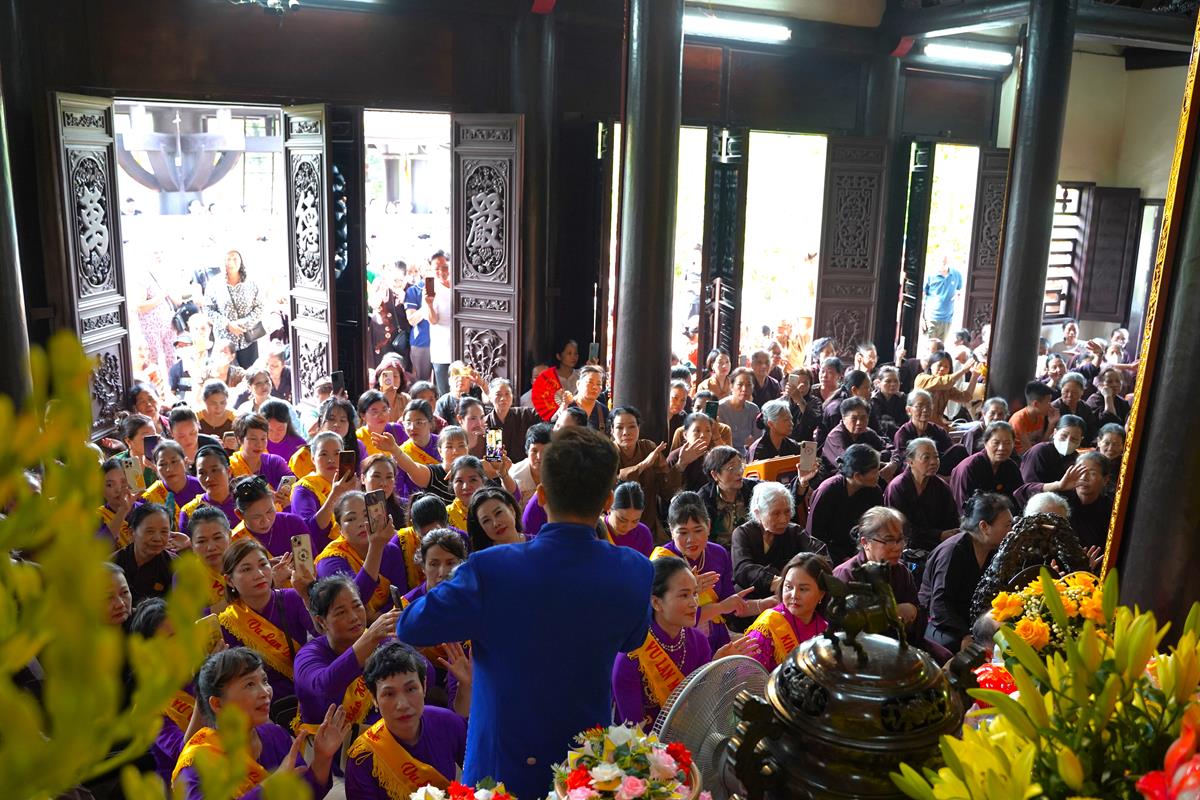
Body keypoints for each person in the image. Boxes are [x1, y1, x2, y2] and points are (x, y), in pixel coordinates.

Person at [397, 426, 654, 799]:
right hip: (582, 765)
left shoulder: (491, 569)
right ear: (607, 501)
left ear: (542, 494)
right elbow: (633, 639)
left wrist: (448, 581)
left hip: (503, 765)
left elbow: (411, 626)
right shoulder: (635, 570)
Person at [173, 647, 344, 799]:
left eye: (265, 681)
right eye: (249, 684)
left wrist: (322, 758)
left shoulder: (275, 736)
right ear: (218, 704)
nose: (265, 692)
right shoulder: (196, 763)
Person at [611, 555, 757, 728]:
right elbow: (632, 730)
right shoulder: (631, 654)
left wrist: (715, 667)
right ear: (656, 602)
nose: (694, 603)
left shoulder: (699, 642)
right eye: (684, 595)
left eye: (695, 594)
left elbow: (701, 709)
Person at [345, 642, 470, 799]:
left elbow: (481, 774)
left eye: (411, 689)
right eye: (389, 694)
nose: (402, 705)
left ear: (424, 686)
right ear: (374, 698)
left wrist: (469, 687)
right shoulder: (363, 757)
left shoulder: (447, 722)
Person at [294, 575, 407, 730]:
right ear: (321, 621)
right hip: (329, 741)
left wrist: (410, 649)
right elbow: (325, 686)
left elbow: (427, 673)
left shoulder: (379, 640)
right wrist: (370, 638)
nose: (354, 617)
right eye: (341, 612)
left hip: (380, 733)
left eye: (357, 606)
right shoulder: (308, 655)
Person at [651, 492, 758, 651]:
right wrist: (691, 592)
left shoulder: (718, 553)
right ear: (671, 531)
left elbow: (729, 605)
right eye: (683, 532)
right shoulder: (661, 561)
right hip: (678, 643)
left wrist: (764, 604)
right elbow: (660, 617)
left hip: (717, 637)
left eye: (698, 530)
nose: (691, 539)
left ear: (708, 526)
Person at [218, 538, 316, 705]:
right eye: (246, 569)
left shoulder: (293, 598)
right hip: (262, 702)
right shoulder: (229, 622)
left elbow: (324, 636)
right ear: (229, 580)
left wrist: (308, 595)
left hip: (305, 690)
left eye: (263, 565)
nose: (259, 574)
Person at [919, 493, 1014, 652]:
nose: (1011, 531)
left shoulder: (994, 550)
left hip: (972, 620)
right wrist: (964, 635)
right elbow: (940, 605)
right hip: (940, 623)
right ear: (984, 527)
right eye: (1007, 525)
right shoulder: (953, 551)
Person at [832, 507, 926, 647]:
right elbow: (843, 630)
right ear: (865, 543)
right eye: (889, 540)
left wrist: (913, 612)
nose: (897, 547)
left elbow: (918, 613)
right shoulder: (846, 575)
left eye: (900, 539)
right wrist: (889, 614)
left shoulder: (901, 571)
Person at [731, 481, 828, 606]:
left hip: (790, 594)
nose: (783, 520)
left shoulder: (794, 531)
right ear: (758, 513)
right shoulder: (743, 533)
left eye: (787, 512)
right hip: (752, 599)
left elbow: (821, 555)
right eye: (775, 513)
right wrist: (774, 581)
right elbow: (743, 569)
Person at [743, 552, 833, 671]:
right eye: (789, 587)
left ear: (821, 594)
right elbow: (747, 675)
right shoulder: (767, 627)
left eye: (803, 589)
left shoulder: (825, 629)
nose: (794, 595)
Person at [1015, 452, 1113, 551]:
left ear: (1105, 479)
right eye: (1080, 471)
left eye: (1092, 473)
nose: (1084, 477)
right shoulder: (1059, 497)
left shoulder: (1110, 509)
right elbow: (1019, 494)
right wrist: (1058, 485)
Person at [807, 443, 885, 565]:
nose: (878, 475)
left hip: (860, 550)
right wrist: (842, 558)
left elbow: (877, 527)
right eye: (874, 472)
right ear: (857, 476)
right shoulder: (828, 490)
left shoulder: (874, 491)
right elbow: (815, 536)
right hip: (829, 554)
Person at [884, 438, 960, 552]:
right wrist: (938, 535)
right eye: (926, 457)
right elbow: (901, 529)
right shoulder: (898, 487)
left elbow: (952, 519)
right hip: (906, 548)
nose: (934, 462)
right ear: (910, 462)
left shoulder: (942, 487)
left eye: (936, 457)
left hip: (940, 545)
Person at [291, 431, 359, 551]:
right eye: (323, 454)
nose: (331, 460)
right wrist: (335, 495)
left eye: (337, 453)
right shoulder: (303, 489)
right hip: (319, 554)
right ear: (313, 459)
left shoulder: (349, 484)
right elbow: (309, 530)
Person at [611, 406, 668, 541]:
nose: (626, 432)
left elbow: (667, 490)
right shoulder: (607, 451)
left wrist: (681, 464)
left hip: (649, 525)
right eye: (619, 427)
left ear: (639, 428)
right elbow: (614, 484)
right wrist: (643, 465)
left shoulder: (648, 447)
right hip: (617, 527)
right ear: (612, 430)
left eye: (632, 426)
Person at [381, 425, 470, 507]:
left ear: (467, 449)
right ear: (440, 451)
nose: (455, 451)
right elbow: (412, 468)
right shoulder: (434, 474)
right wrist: (394, 449)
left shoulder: (475, 471)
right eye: (449, 447)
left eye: (461, 445)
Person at [206, 250, 265, 369]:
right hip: (224, 342)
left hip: (247, 339)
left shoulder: (251, 283)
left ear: (241, 261)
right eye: (228, 259)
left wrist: (242, 323)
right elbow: (208, 309)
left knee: (250, 375)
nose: (231, 262)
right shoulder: (214, 284)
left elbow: (259, 306)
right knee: (225, 375)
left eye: (235, 259)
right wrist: (227, 324)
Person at [230, 476, 313, 557]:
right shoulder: (235, 543)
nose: (266, 521)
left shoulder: (293, 523)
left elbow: (311, 562)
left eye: (269, 511)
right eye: (256, 516)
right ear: (239, 514)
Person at [112, 503, 177, 605]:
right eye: (150, 531)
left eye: (164, 532)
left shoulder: (175, 565)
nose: (157, 538)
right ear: (131, 533)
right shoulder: (114, 563)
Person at [892, 389, 967, 476]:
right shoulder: (903, 433)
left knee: (959, 449)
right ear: (909, 410)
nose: (925, 410)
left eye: (928, 406)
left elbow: (950, 452)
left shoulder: (938, 430)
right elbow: (905, 461)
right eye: (919, 406)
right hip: (916, 472)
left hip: (938, 467)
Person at [949, 421, 1022, 510]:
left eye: (1007, 443)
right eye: (996, 443)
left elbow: (1019, 499)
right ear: (985, 443)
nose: (1002, 448)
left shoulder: (1011, 467)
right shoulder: (970, 468)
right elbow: (964, 508)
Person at [697, 446, 757, 550]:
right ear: (715, 475)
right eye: (731, 468)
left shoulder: (753, 489)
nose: (739, 472)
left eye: (740, 466)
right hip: (719, 553)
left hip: (750, 550)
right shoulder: (704, 499)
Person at [289, 397, 363, 479]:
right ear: (321, 421)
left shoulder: (358, 447)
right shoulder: (302, 456)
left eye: (342, 420)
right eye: (331, 419)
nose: (337, 424)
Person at [820, 397, 893, 477]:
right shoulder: (835, 436)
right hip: (840, 478)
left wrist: (889, 461)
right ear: (843, 418)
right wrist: (879, 458)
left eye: (863, 418)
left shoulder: (868, 432)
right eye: (854, 418)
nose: (859, 422)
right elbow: (852, 463)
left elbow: (890, 448)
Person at [179, 445, 240, 530]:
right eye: (202, 473)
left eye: (214, 470)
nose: (209, 478)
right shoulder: (189, 512)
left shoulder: (245, 503)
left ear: (228, 471)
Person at [142, 440, 204, 524]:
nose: (169, 469)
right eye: (162, 464)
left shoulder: (202, 487)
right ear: (155, 468)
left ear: (185, 462)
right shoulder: (149, 497)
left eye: (174, 461)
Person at [228, 413, 294, 489]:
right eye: (253, 439)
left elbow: (293, 486)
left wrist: (285, 493)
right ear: (239, 439)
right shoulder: (230, 467)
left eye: (263, 439)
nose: (259, 444)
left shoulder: (275, 462)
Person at [1019, 415, 1085, 486]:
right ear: (1055, 433)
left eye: (1074, 439)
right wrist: (1057, 486)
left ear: (1081, 440)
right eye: (1064, 436)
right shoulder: (1039, 451)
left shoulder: (1075, 458)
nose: (1068, 441)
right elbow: (1027, 487)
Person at [485, 377, 541, 461]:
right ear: (490, 397)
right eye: (498, 394)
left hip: (523, 466)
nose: (503, 398)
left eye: (507, 394)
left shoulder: (524, 414)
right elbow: (494, 457)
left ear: (512, 396)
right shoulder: (487, 422)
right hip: (498, 467)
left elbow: (546, 417)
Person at [915, 352, 978, 425]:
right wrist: (963, 370)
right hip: (920, 426)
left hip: (936, 427)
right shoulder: (922, 378)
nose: (942, 369)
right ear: (931, 365)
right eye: (939, 365)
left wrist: (974, 376)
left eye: (946, 367)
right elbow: (946, 382)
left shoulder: (947, 387)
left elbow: (965, 397)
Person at [189, 505, 232, 609]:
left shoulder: (245, 565)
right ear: (192, 545)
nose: (211, 547)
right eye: (201, 541)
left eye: (217, 538)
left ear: (230, 536)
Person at [602, 481, 654, 557]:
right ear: (609, 508)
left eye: (635, 521)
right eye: (622, 520)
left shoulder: (643, 534)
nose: (628, 527)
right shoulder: (596, 529)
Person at [427, 252, 454, 394]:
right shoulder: (431, 289)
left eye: (444, 267)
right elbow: (433, 320)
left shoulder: (459, 284)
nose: (441, 272)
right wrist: (429, 304)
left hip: (463, 348)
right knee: (445, 393)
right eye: (436, 269)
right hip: (442, 351)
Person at [467, 486, 526, 551]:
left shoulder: (535, 545)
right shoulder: (484, 557)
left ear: (511, 510)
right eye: (486, 520)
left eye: (498, 513)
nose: (496, 524)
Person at [718, 367, 761, 456]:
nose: (744, 389)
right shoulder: (720, 408)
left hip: (747, 456)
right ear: (731, 386)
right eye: (740, 384)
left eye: (748, 385)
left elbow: (757, 439)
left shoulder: (754, 409)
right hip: (724, 455)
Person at [510, 423, 551, 512]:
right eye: (534, 451)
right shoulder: (515, 476)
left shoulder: (560, 473)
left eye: (545, 451)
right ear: (527, 451)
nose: (539, 457)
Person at [921, 255, 963, 343]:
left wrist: (957, 295)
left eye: (945, 263)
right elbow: (922, 295)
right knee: (930, 346)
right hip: (931, 317)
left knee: (940, 346)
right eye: (940, 262)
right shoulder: (930, 275)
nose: (942, 265)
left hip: (947, 318)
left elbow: (959, 290)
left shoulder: (956, 274)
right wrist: (921, 317)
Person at [1009, 381, 1057, 455]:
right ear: (1036, 404)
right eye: (1048, 402)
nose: (1050, 405)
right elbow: (1029, 451)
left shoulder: (1040, 415)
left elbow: (1042, 443)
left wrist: (1051, 424)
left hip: (1034, 452)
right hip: (1021, 456)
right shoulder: (1019, 420)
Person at [358, 389, 410, 458]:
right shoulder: (358, 438)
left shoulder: (397, 430)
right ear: (363, 416)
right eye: (375, 412)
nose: (381, 415)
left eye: (384, 410)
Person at [1052, 372, 1098, 447]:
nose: (1070, 395)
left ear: (1082, 392)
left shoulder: (1085, 408)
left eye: (1075, 392)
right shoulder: (1054, 407)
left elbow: (1092, 431)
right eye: (1066, 391)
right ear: (1061, 389)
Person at [404, 269, 434, 384]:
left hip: (444, 342)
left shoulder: (448, 287)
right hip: (422, 342)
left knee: (443, 382)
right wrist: (427, 304)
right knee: (422, 383)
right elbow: (412, 320)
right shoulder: (414, 290)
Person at [363, 452, 407, 530]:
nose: (383, 483)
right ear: (363, 479)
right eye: (376, 476)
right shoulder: (353, 507)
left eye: (389, 477)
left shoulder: (405, 508)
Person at [99, 458, 136, 547]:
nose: (118, 490)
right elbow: (99, 549)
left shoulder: (145, 509)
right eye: (110, 485)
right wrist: (122, 511)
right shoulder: (96, 517)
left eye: (123, 482)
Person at [118, 413, 159, 488]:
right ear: (128, 441)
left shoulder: (162, 457)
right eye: (147, 438)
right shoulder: (118, 464)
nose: (153, 441)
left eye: (154, 435)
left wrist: (155, 468)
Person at [870, 365, 908, 441]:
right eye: (888, 381)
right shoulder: (873, 400)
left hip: (900, 435)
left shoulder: (903, 399)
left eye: (896, 381)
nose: (893, 384)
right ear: (878, 383)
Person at [1096, 423, 1126, 491]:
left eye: (1116, 444)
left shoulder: (1126, 465)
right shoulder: (1087, 461)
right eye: (1106, 443)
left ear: (1123, 446)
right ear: (1099, 442)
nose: (1110, 448)